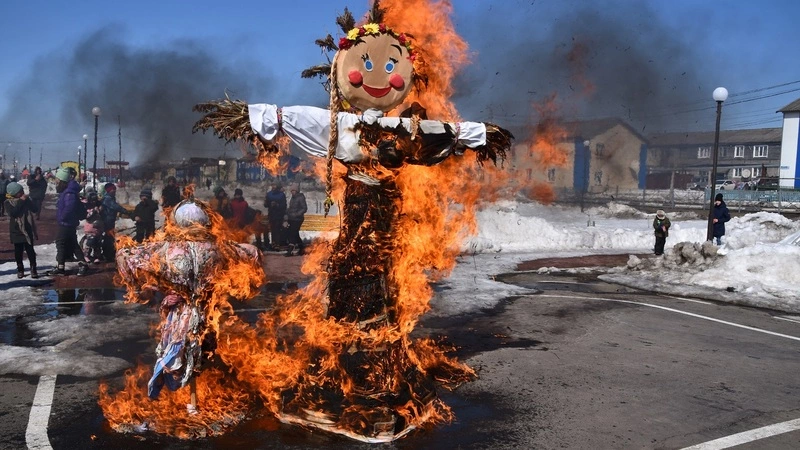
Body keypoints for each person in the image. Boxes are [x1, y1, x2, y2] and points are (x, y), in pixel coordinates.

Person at [50, 167, 88, 276]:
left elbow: (69, 208)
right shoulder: (69, 191)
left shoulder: (69, 193)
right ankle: (83, 264)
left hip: (66, 223)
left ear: (62, 180)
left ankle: (60, 267)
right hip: (69, 222)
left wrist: (62, 217)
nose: (56, 181)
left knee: (60, 243)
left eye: (57, 179)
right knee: (73, 243)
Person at [5, 181, 39, 278]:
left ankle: (33, 268)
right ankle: (20, 269)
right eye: (21, 191)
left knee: (30, 250)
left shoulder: (26, 200)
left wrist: (29, 200)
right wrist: (21, 201)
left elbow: (34, 209)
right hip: (16, 229)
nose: (23, 192)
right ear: (15, 193)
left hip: (27, 228)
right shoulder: (8, 203)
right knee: (18, 251)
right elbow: (14, 213)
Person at [101, 182, 133, 262]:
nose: (115, 191)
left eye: (115, 189)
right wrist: (127, 212)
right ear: (109, 190)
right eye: (113, 189)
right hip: (107, 221)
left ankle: (108, 254)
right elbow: (116, 207)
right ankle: (108, 255)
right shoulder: (108, 199)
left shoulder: (111, 198)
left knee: (109, 237)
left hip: (110, 221)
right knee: (109, 238)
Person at [81, 186, 104, 263]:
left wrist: (100, 210)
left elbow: (102, 214)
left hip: (98, 227)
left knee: (98, 242)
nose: (94, 202)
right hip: (90, 227)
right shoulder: (86, 206)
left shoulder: (99, 205)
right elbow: (87, 216)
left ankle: (97, 256)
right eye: (92, 200)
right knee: (90, 242)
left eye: (95, 200)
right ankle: (86, 255)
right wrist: (93, 211)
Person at [284, 183, 307, 256]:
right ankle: (302, 249)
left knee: (293, 233)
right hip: (291, 218)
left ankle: (290, 251)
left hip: (298, 219)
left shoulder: (300, 197)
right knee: (295, 234)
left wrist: (296, 214)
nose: (292, 192)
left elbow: (304, 208)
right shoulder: (292, 198)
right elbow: (291, 208)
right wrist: (287, 213)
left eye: (294, 190)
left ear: (297, 191)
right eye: (292, 191)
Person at [264, 182, 287, 249]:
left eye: (275, 185)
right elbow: (266, 205)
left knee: (277, 229)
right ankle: (274, 243)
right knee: (273, 229)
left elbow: (284, 205)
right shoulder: (269, 194)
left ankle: (277, 243)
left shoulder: (281, 195)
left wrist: (277, 205)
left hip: (279, 215)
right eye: (273, 185)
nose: (273, 186)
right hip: (271, 214)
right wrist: (267, 203)